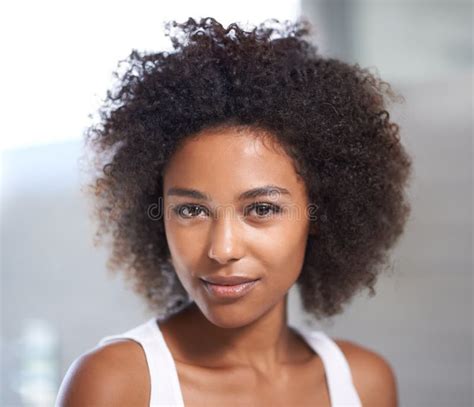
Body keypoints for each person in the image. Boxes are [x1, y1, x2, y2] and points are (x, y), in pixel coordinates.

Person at [56, 16, 412, 407]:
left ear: (318, 213)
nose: (222, 249)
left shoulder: (364, 383)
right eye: (191, 210)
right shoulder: (115, 386)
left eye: (260, 208)